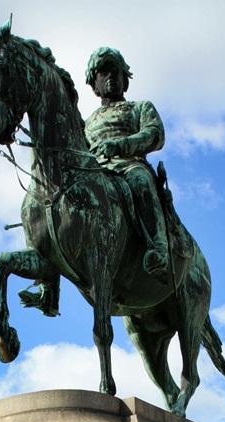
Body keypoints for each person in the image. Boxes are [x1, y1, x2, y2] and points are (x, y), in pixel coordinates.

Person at [84, 47, 169, 284]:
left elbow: (155, 135)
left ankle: (158, 248)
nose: (110, 77)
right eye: (103, 73)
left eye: (116, 72)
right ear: (94, 84)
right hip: (96, 172)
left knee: (140, 180)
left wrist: (120, 145)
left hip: (129, 166)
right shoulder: (87, 122)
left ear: (124, 80)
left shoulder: (140, 107)